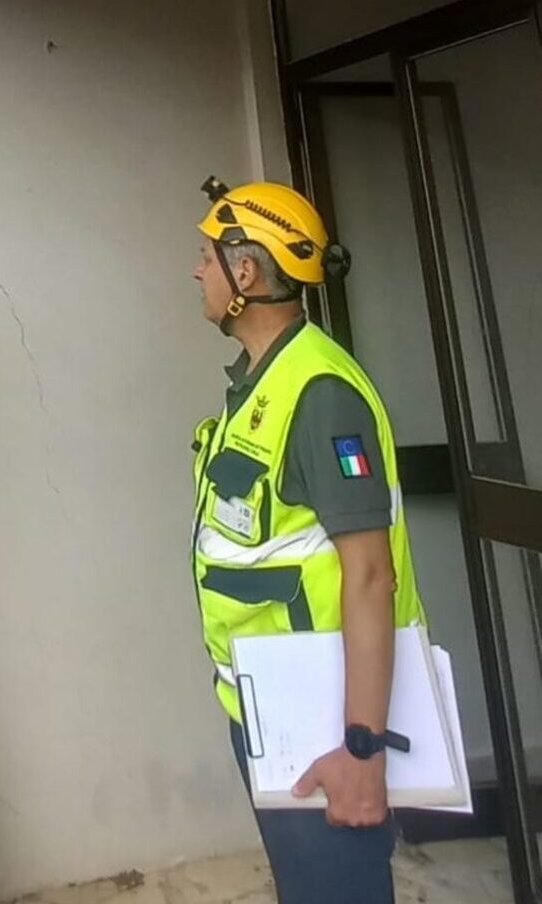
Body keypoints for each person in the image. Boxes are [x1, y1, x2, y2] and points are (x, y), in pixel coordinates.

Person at [190, 176, 428, 904]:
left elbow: (368, 576)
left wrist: (362, 748)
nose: (196, 272)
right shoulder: (261, 383)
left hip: (327, 727)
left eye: (205, 256)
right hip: (269, 709)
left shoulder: (319, 394)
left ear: (246, 270)